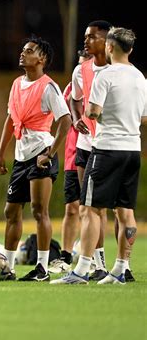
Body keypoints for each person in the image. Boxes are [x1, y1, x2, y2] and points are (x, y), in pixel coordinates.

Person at [52, 27, 146, 285]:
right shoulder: (140, 78)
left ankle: (80, 271)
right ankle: (120, 269)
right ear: (131, 49)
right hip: (132, 150)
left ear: (110, 47)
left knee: (91, 209)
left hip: (107, 148)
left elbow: (92, 112)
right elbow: (144, 118)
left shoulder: (106, 75)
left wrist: (96, 115)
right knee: (126, 211)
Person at [0, 35, 71, 281]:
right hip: (21, 156)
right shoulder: (17, 84)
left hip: (41, 154)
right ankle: (7, 267)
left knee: (40, 211)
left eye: (29, 51)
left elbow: (65, 121)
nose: (22, 53)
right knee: (11, 211)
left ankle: (41, 268)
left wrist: (49, 153)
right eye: (23, 49)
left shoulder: (49, 87)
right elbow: (11, 119)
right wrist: (0, 152)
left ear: (42, 59)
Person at [69, 20, 115, 281]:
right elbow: (75, 99)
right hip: (85, 145)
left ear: (107, 41)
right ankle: (95, 264)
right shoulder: (81, 70)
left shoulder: (117, 70)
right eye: (85, 36)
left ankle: (111, 265)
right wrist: (77, 119)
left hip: (109, 145)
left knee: (101, 208)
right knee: (86, 206)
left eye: (92, 37)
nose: (86, 41)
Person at [48, 49, 92, 274]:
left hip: (95, 152)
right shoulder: (69, 91)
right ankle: (65, 255)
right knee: (72, 208)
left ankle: (91, 257)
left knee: (91, 209)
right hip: (73, 156)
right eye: (80, 64)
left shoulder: (100, 85)